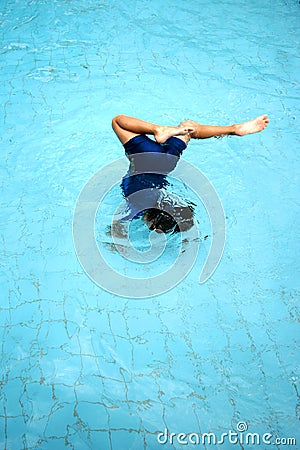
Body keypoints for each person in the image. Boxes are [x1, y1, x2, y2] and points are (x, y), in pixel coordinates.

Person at [111, 113, 269, 235]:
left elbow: (184, 212)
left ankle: (233, 129)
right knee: (118, 122)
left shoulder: (164, 198)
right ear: (151, 223)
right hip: (146, 157)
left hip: (167, 163)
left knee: (189, 129)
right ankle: (157, 130)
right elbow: (116, 228)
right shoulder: (134, 208)